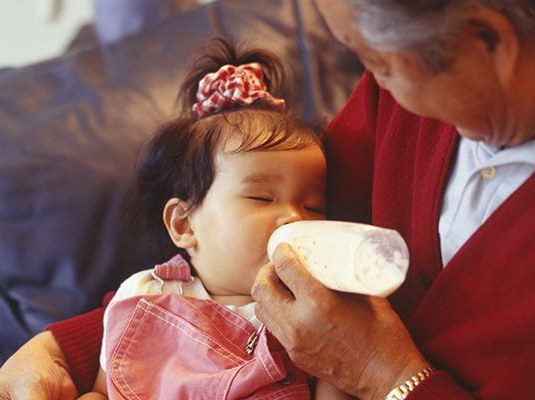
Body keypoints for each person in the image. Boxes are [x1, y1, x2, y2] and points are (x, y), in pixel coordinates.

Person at [0, 0, 535, 399]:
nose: (369, 80)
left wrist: (389, 378)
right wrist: (61, 346)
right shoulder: (399, 107)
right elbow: (223, 266)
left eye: (374, 59)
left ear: (487, 41)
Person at [73, 37, 348, 399]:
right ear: (184, 224)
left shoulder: (316, 313)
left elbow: (344, 376)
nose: (294, 218)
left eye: (313, 206)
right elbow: (105, 390)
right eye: (262, 197)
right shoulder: (145, 297)